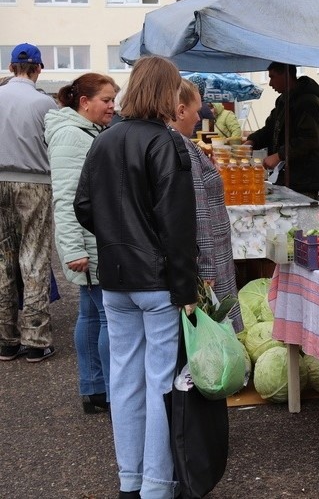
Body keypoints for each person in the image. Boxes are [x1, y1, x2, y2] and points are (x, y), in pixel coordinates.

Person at [74, 56, 198, 499]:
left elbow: (83, 206)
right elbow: (178, 225)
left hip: (115, 277)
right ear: (167, 93)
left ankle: (131, 481)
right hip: (157, 280)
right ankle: (157, 486)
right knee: (160, 383)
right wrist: (186, 288)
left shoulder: (104, 140)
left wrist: (115, 239)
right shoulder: (166, 143)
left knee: (124, 381)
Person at [45, 73, 118, 414]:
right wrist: (74, 249)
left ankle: (95, 389)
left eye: (113, 99)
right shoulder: (72, 137)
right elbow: (66, 198)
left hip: (93, 238)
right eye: (106, 100)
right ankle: (112, 390)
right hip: (88, 243)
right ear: (84, 102)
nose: (112, 106)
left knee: (90, 313)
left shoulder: (86, 131)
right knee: (105, 317)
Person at [0, 43, 58, 362]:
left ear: (10, 68)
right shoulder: (44, 104)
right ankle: (35, 339)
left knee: (2, 259)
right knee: (33, 257)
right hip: (34, 182)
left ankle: (5, 339)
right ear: (38, 69)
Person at [171, 78, 243, 332]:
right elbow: (198, 210)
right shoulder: (183, 148)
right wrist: (207, 269)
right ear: (180, 111)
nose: (198, 119)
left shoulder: (179, 144)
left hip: (208, 252)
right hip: (209, 256)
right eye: (196, 111)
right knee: (214, 327)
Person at [246, 62, 319, 199]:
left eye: (272, 77)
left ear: (286, 75)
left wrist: (279, 155)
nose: (270, 83)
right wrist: (252, 141)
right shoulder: (283, 101)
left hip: (306, 179)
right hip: (288, 176)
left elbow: (309, 139)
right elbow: (270, 129)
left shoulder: (308, 102)